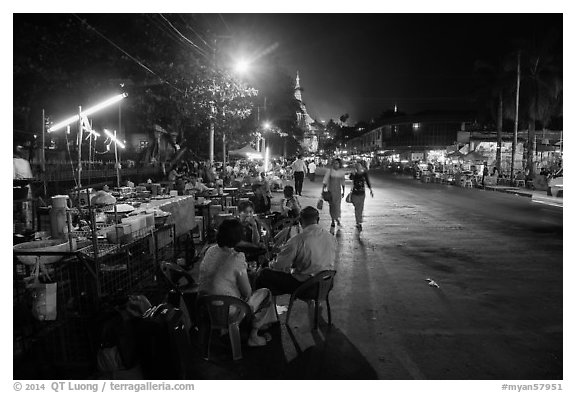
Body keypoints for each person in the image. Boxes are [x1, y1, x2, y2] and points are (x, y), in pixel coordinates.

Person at [198, 219, 277, 347]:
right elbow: (247, 292)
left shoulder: (210, 250)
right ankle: (254, 336)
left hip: (204, 311)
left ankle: (261, 323)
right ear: (239, 237)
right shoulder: (236, 257)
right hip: (227, 313)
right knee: (265, 293)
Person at [254, 206, 336, 295]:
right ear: (318, 219)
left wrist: (268, 263)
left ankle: (260, 305)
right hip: (327, 284)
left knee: (264, 274)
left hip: (307, 287)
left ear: (300, 221)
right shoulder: (331, 237)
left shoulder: (298, 240)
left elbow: (279, 265)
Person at [322, 158, 346, 232]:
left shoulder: (341, 172)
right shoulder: (329, 171)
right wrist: (322, 190)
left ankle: (337, 219)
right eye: (334, 163)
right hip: (331, 191)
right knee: (332, 206)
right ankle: (333, 220)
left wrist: (343, 191)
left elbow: (343, 182)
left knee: (337, 206)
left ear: (339, 164)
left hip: (338, 191)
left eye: (337, 163)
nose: (336, 165)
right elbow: (325, 180)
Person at [349, 161, 373, 232]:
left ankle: (358, 221)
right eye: (357, 166)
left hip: (362, 193)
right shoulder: (354, 174)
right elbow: (351, 178)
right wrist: (352, 173)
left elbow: (367, 181)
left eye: (359, 166)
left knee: (360, 207)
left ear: (361, 167)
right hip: (355, 193)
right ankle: (358, 220)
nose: (358, 168)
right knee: (357, 207)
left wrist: (371, 190)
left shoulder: (364, 174)